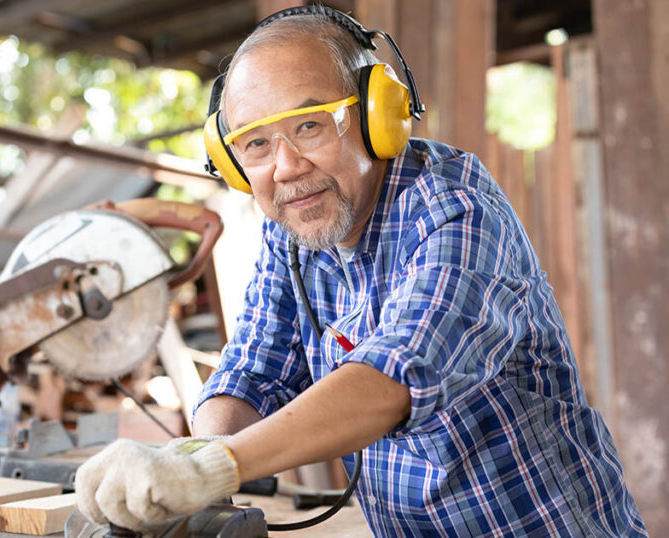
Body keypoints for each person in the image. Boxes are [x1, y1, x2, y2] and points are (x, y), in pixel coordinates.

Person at [75, 5, 647, 536]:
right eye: (255, 144)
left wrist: (219, 467)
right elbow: (253, 370)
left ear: (379, 115)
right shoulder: (292, 234)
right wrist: (191, 457)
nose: (286, 167)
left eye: (310, 126)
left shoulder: (457, 210)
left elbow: (392, 381)